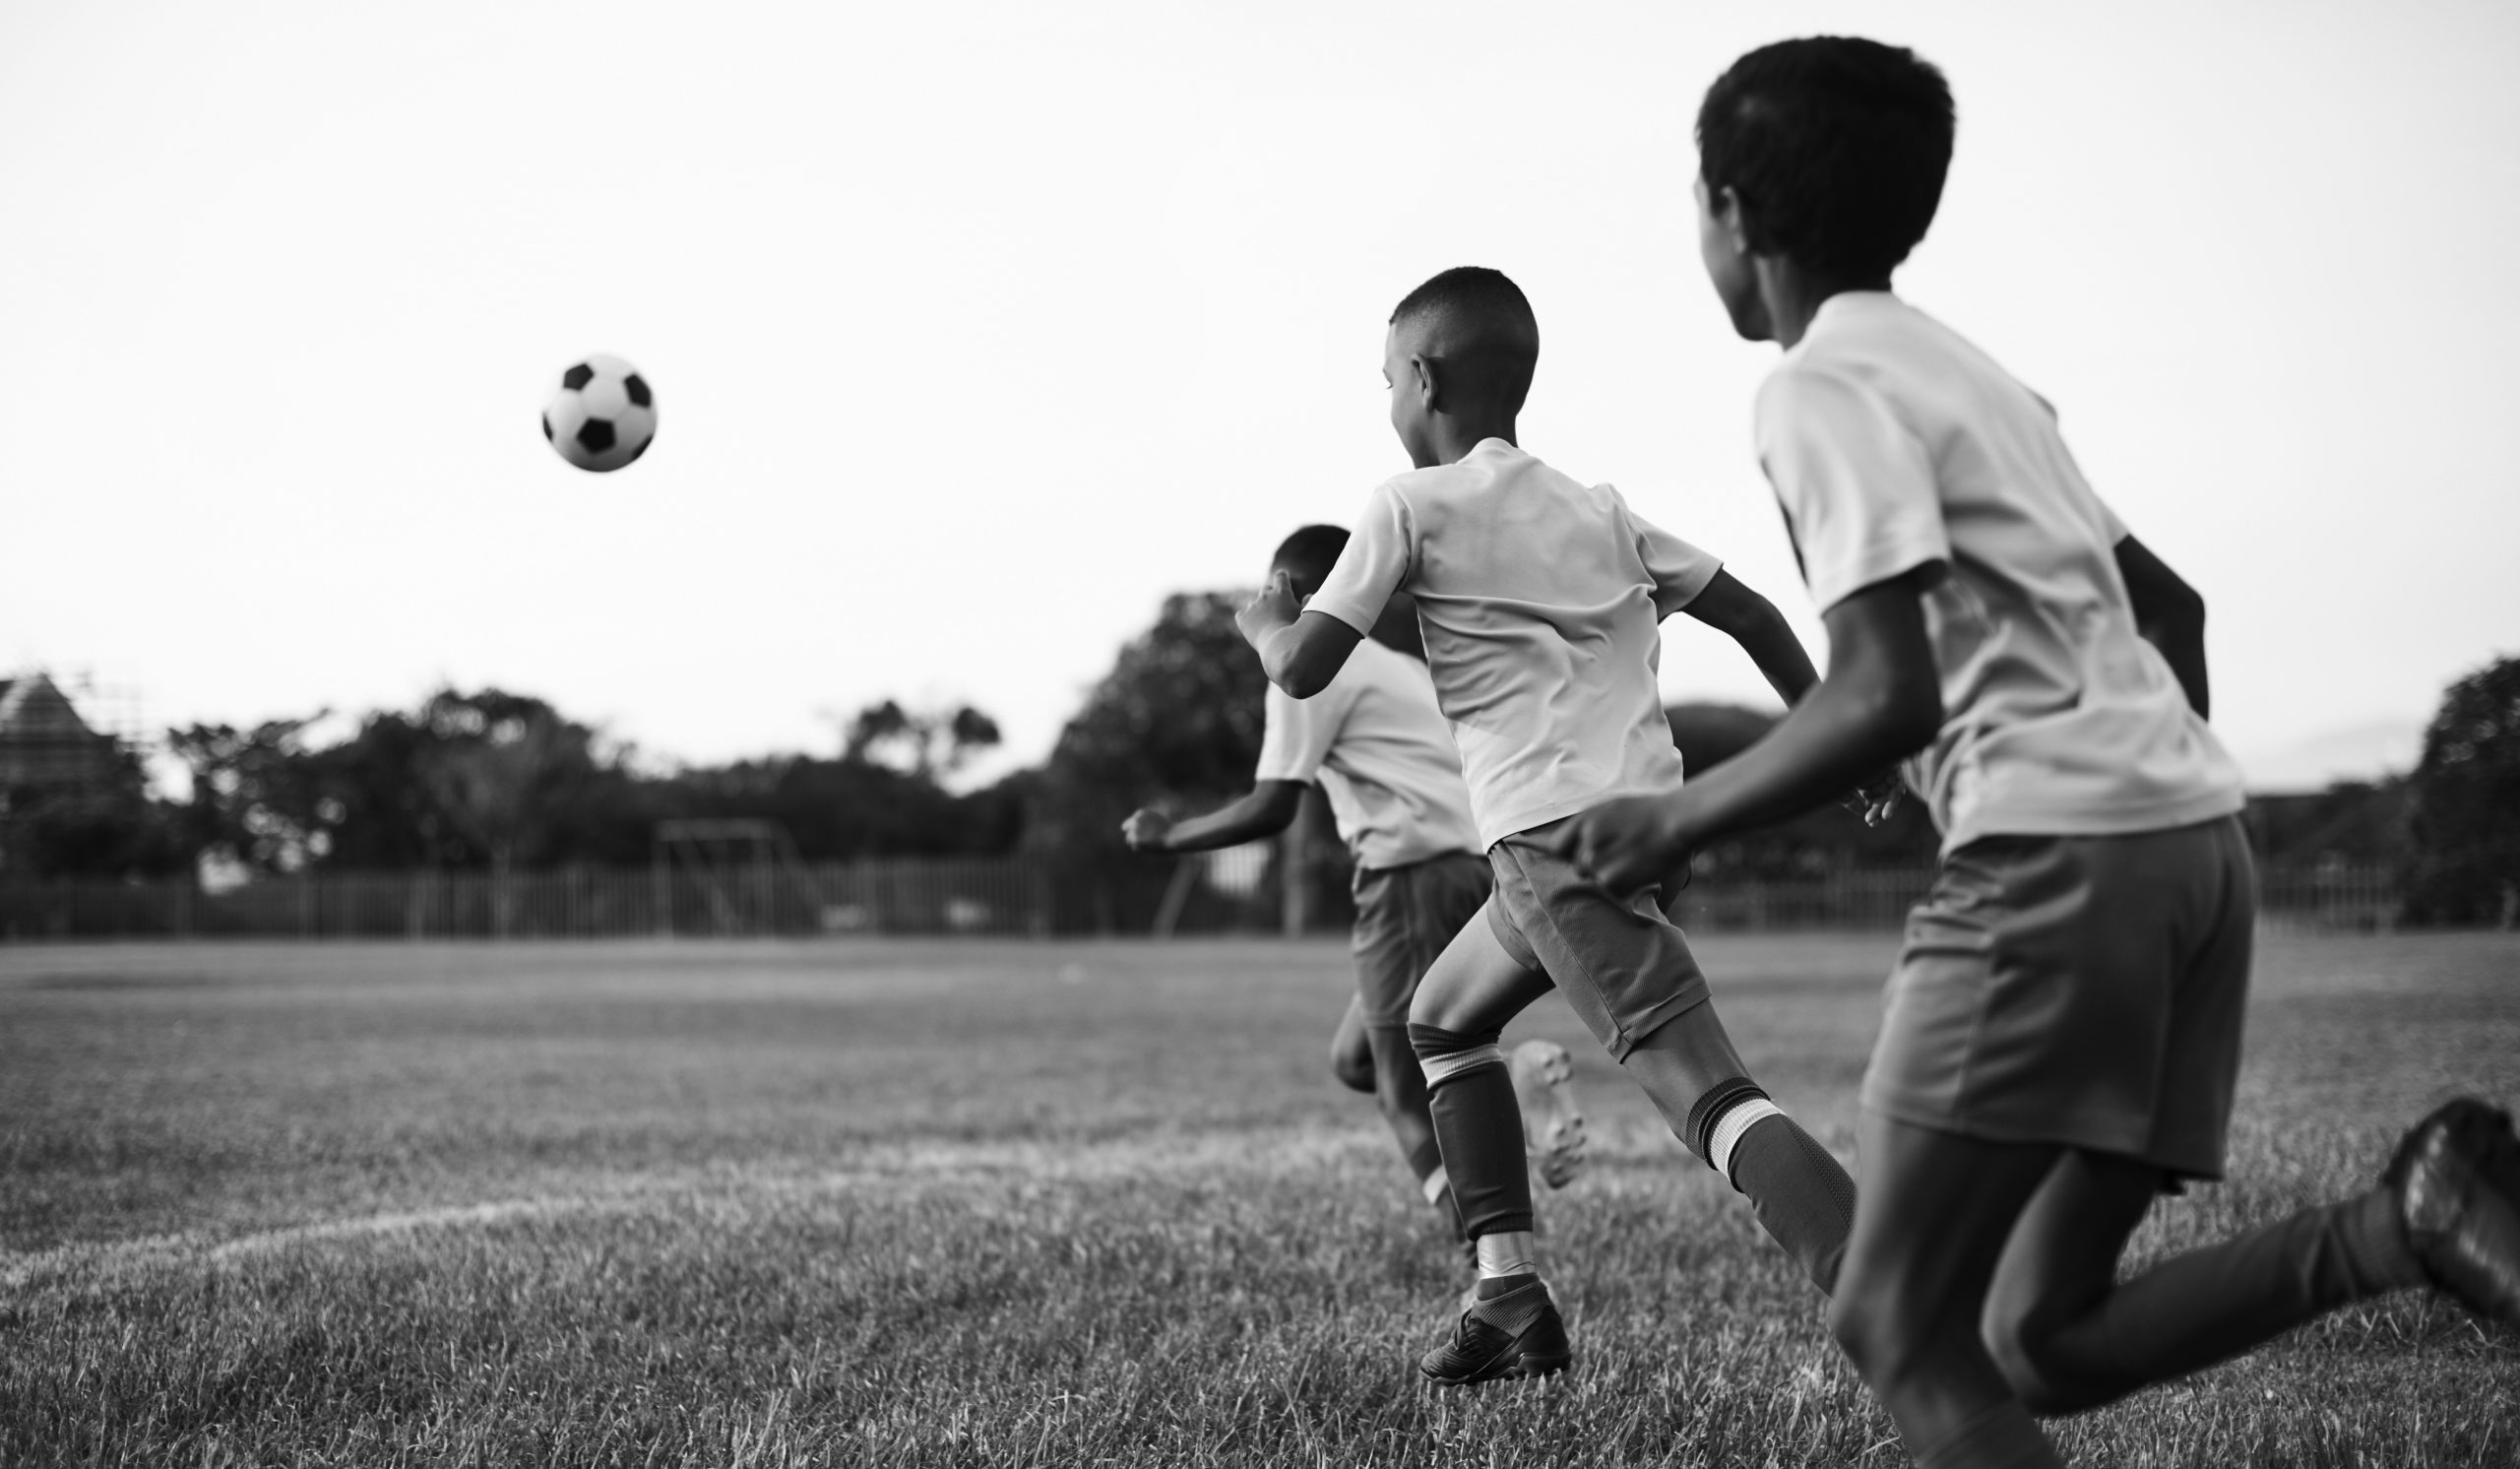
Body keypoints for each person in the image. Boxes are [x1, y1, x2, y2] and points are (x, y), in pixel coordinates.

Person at [1554, 35, 2520, 1467]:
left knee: (1891, 1321)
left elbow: (1883, 689)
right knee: (2037, 1340)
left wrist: (1675, 823)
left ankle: (2415, 1218)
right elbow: (2169, 610)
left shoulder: (1815, 390)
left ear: (1732, 212)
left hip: (2056, 862)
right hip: (2200, 857)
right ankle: (2414, 1215)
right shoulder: (1983, 380)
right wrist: (2143, 799)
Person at [1237, 266, 1864, 1385]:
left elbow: (1300, 670)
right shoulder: (1598, 508)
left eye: (1387, 379)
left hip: (1549, 842)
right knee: (1440, 1020)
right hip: (1633, 834)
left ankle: (1892, 1283)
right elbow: (1753, 612)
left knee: (1704, 1089)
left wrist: (1267, 623)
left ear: (1421, 380)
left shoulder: (1405, 504)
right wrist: (1831, 728)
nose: (1386, 401)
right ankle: (1507, 1292)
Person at [1123, 525, 1588, 1259]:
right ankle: (1514, 1078)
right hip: (1470, 869)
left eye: (1268, 591)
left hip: (1410, 881)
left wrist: (1166, 837)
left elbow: (1274, 805)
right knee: (1358, 1059)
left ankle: (1488, 1258)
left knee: (1407, 1091)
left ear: (1296, 596)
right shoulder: (1398, 666)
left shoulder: (1309, 667)